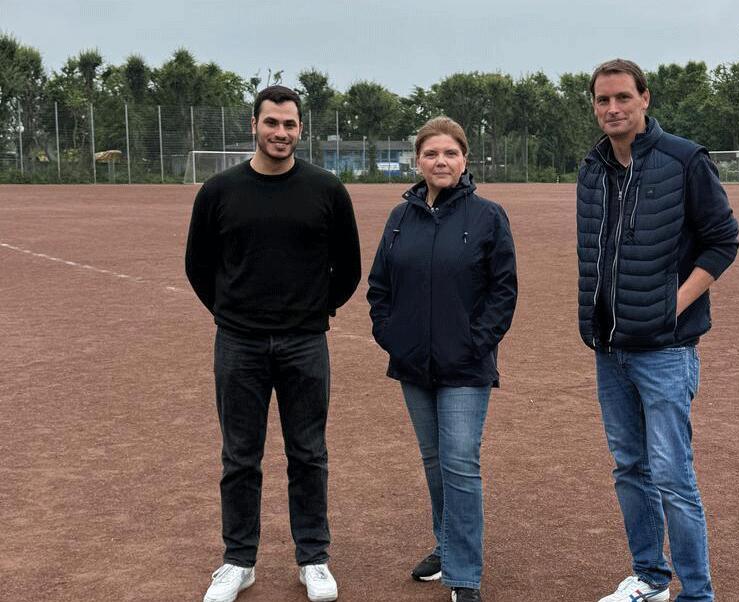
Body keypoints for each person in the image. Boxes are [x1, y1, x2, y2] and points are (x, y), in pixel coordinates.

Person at [185, 85, 360, 602]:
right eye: (271, 123)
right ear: (254, 126)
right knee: (240, 457)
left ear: (300, 129)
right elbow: (198, 266)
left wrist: (314, 311)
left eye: (289, 124)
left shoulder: (327, 190)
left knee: (308, 454)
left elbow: (348, 267)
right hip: (238, 344)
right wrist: (231, 312)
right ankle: (238, 561)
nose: (280, 133)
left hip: (305, 343)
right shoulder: (218, 191)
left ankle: (313, 558)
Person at [576, 60, 739, 602]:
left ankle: (696, 593)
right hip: (610, 348)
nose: (613, 109)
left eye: (623, 97)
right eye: (603, 100)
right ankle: (649, 577)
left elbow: (723, 241)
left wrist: (673, 306)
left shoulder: (685, 160)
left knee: (672, 475)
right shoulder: (592, 169)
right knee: (630, 467)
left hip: (666, 350)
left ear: (645, 98)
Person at [366, 116, 517, 602]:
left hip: (466, 367)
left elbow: (503, 291)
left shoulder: (488, 216)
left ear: (464, 159)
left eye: (450, 153)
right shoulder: (400, 218)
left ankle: (464, 576)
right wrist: (392, 337)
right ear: (418, 161)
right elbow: (379, 286)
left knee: (460, 464)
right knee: (434, 463)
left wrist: (475, 343)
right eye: (431, 153)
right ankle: (447, 544)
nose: (441, 161)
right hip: (413, 365)